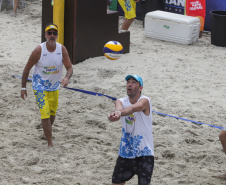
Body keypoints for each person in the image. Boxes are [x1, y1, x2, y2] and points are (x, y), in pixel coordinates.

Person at [21, 23, 73, 149]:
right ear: (45, 35)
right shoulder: (39, 50)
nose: (52, 35)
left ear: (57, 35)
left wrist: (66, 78)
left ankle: (45, 133)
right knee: (45, 114)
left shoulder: (62, 49)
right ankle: (50, 143)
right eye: (49, 33)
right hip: (39, 86)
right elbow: (27, 69)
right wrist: (23, 87)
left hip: (54, 87)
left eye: (54, 33)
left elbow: (70, 68)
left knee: (52, 113)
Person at [108, 74, 154, 185]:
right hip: (126, 153)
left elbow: (133, 108)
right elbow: (118, 108)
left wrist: (119, 113)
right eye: (128, 82)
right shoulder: (121, 101)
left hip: (144, 154)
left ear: (140, 88)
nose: (129, 84)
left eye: (134, 82)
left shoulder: (145, 100)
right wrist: (114, 115)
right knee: (116, 183)